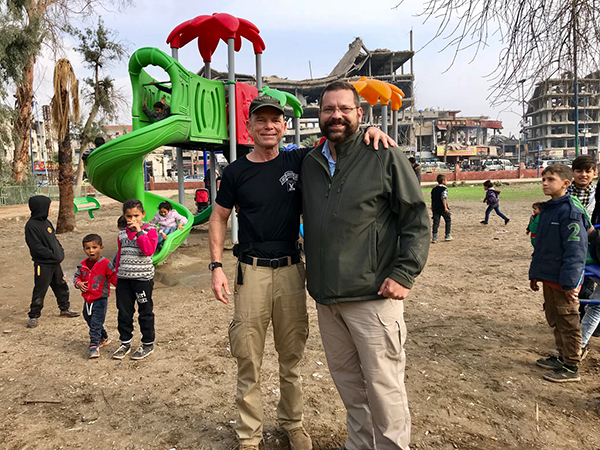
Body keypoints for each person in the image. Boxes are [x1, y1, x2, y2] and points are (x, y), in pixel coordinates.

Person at [209, 95, 395, 450]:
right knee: (248, 358)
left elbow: (339, 134)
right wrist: (216, 266)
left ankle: (292, 423)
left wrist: (371, 129)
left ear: (283, 126)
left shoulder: (300, 159)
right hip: (252, 273)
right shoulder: (235, 172)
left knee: (291, 356)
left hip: (293, 272)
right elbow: (218, 217)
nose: (268, 127)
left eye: (274, 120)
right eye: (260, 121)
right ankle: (249, 436)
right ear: (248, 127)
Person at [301, 81, 430, 450]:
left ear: (360, 114)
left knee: (384, 389)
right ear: (319, 115)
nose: (336, 115)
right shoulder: (310, 163)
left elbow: (416, 218)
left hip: (373, 297)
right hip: (328, 300)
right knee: (350, 389)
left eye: (345, 109)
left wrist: (404, 272)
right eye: (329, 109)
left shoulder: (383, 155)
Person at [530, 164, 588, 383]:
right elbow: (542, 246)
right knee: (555, 318)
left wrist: (571, 282)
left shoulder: (570, 212)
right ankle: (561, 356)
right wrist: (535, 275)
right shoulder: (548, 210)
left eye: (550, 179)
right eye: (543, 179)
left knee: (568, 320)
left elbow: (576, 251)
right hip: (549, 277)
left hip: (563, 280)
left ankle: (572, 365)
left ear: (565, 184)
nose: (545, 183)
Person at [113, 198, 158, 361]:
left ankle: (147, 343)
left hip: (142, 280)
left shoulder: (150, 230)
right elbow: (119, 255)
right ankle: (125, 342)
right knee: (124, 312)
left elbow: (148, 251)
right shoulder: (122, 233)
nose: (132, 219)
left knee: (145, 312)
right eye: (129, 216)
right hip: (124, 279)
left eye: (136, 215)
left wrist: (139, 232)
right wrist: (116, 275)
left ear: (143, 214)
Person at [25, 195, 79, 328]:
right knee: (40, 289)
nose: (49, 210)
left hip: (55, 264)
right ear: (40, 208)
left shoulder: (47, 223)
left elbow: (54, 241)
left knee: (61, 285)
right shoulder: (31, 226)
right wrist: (51, 255)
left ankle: (65, 308)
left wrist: (59, 251)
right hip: (43, 265)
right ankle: (34, 315)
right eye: (48, 207)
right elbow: (36, 247)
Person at [74, 234, 117, 358]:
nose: (91, 250)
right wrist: (79, 283)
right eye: (87, 248)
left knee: (96, 323)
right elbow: (76, 277)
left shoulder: (106, 264)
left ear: (101, 248)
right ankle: (103, 337)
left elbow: (114, 277)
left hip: (100, 299)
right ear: (84, 249)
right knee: (88, 318)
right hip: (87, 300)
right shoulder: (82, 265)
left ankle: (94, 345)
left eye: (94, 247)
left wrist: (124, 289)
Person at [431, 173, 453, 243]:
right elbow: (444, 198)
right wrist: (446, 207)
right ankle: (447, 235)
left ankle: (434, 237)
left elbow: (432, 198)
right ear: (443, 181)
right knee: (448, 220)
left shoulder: (434, 189)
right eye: (446, 180)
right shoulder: (444, 189)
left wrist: (432, 206)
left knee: (436, 222)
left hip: (435, 207)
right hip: (442, 207)